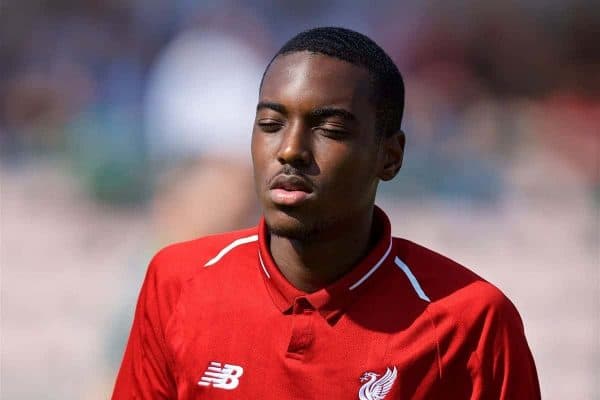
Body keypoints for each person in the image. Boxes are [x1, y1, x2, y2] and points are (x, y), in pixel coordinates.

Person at [112, 27, 540, 399]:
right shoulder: (177, 281)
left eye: (330, 129)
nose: (290, 150)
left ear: (390, 157)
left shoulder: (471, 323)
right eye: (270, 124)